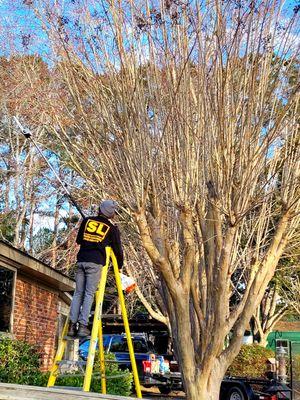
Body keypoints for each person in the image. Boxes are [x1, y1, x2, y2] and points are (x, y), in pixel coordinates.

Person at [68, 199, 123, 337]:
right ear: (111, 213)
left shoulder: (87, 221)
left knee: (78, 293)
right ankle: (82, 326)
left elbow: (79, 240)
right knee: (88, 294)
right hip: (95, 263)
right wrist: (119, 266)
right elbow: (118, 250)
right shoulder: (112, 228)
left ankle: (71, 326)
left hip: (81, 261)